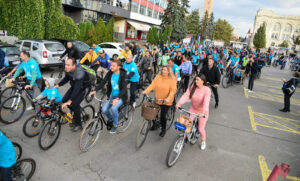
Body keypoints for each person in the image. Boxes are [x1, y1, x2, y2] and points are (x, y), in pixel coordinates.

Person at [89, 60, 128, 134]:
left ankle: (115, 125)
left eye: (113, 66)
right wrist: (95, 90)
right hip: (112, 96)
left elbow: (124, 89)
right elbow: (103, 82)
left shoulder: (123, 75)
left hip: (121, 97)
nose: (111, 67)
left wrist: (117, 98)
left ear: (118, 67)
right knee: (104, 110)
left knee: (114, 108)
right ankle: (111, 119)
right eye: (111, 65)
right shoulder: (110, 73)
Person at [176, 73, 211, 150]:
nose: (195, 81)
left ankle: (203, 141)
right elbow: (186, 95)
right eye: (195, 79)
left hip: (202, 112)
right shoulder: (193, 87)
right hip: (193, 109)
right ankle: (181, 141)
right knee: (186, 125)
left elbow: (206, 102)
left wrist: (204, 112)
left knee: (201, 128)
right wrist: (179, 103)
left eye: (197, 80)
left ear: (202, 81)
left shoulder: (207, 90)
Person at [55, 58, 91, 132]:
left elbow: (77, 89)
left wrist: (70, 101)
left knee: (74, 103)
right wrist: (58, 85)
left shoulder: (79, 73)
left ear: (74, 65)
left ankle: (78, 124)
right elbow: (66, 78)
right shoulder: (69, 70)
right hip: (75, 86)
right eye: (65, 65)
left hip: (84, 89)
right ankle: (76, 111)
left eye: (68, 65)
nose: (66, 67)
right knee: (64, 100)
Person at [142, 66, 177, 137]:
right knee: (153, 113)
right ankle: (155, 125)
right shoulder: (158, 76)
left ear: (168, 72)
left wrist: (168, 98)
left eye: (165, 70)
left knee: (162, 116)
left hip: (166, 101)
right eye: (162, 69)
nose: (163, 71)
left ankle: (163, 129)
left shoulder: (172, 79)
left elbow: (173, 91)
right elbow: (152, 85)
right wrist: (146, 91)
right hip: (158, 99)